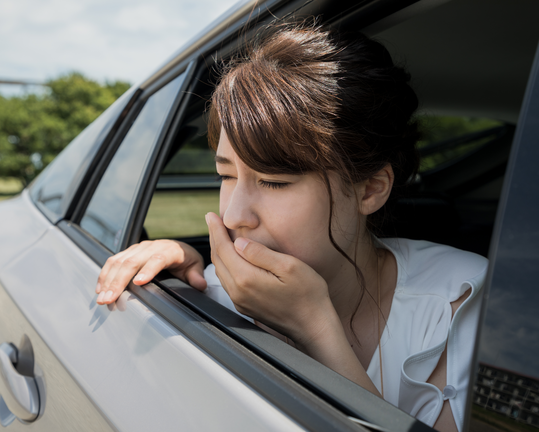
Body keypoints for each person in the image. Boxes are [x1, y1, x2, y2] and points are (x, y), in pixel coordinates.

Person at [94, 22, 487, 432]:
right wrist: (181, 281)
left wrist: (314, 326)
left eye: (274, 182)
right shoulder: (212, 294)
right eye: (226, 176)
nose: (233, 217)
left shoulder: (458, 298)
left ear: (371, 189)